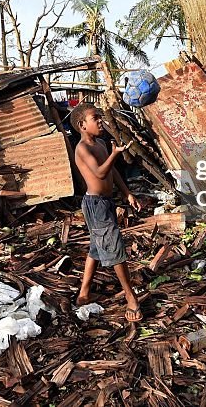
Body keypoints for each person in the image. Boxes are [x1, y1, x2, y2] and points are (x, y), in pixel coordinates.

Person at [70, 103, 144, 322]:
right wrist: (114, 154)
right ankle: (131, 299)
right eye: (96, 118)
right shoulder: (82, 148)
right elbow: (100, 173)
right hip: (95, 205)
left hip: (105, 203)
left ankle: (83, 294)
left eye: (100, 117)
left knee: (96, 247)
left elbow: (112, 172)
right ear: (82, 125)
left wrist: (127, 193)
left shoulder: (101, 143)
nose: (101, 121)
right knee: (115, 248)